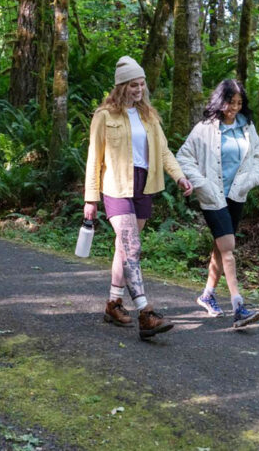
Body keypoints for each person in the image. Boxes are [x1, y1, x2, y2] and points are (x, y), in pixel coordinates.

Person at [84, 56, 194, 339]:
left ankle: (113, 303)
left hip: (144, 186)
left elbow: (165, 152)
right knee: (131, 246)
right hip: (116, 185)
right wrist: (90, 199)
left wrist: (179, 176)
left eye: (142, 84)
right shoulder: (105, 116)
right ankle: (146, 312)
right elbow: (94, 158)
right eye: (133, 85)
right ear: (121, 87)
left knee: (125, 248)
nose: (139, 89)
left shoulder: (149, 117)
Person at [177, 79, 259, 328]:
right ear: (221, 101)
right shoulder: (205, 128)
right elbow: (183, 156)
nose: (234, 108)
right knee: (228, 245)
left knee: (219, 248)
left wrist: (253, 178)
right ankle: (238, 306)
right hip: (213, 195)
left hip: (236, 194)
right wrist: (201, 183)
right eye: (230, 102)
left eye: (239, 103)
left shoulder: (247, 127)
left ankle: (207, 295)